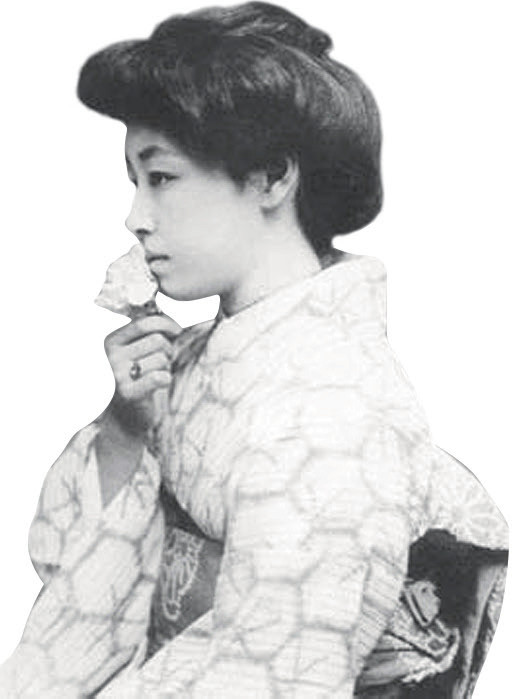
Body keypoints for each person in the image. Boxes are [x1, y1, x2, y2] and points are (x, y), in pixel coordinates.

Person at [0, 2, 507, 696]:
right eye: (134, 183)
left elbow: (272, 672)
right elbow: (59, 561)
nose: (135, 218)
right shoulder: (194, 357)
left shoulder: (337, 415)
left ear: (271, 177)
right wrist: (126, 428)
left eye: (161, 178)